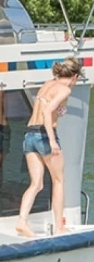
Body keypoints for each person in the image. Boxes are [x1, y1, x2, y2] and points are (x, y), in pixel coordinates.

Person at [15, 57, 83, 237]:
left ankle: (22, 221)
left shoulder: (48, 84)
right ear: (75, 76)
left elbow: (47, 107)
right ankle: (59, 226)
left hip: (29, 134)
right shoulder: (65, 90)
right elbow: (46, 112)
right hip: (44, 135)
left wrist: (60, 110)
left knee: (36, 183)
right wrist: (52, 141)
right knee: (59, 181)